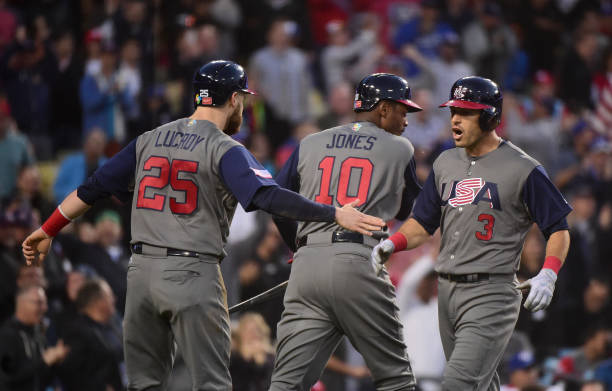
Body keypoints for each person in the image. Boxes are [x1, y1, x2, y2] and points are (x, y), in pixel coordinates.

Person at [21, 59, 384, 391]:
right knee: (211, 385)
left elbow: (91, 189)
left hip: (141, 274)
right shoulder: (225, 148)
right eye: (242, 98)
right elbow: (269, 198)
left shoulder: (149, 139)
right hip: (192, 272)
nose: (243, 106)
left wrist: (47, 229)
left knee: (143, 385)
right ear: (233, 99)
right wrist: (334, 213)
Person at [372, 76, 572, 391]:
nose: (455, 118)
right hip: (447, 292)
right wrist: (392, 244)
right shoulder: (445, 162)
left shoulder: (524, 168)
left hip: (491, 294)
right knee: (480, 386)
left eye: (466, 112)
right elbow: (423, 224)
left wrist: (549, 272)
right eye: (453, 110)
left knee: (457, 385)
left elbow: (558, 227)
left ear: (490, 116)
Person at [269, 73, 423, 390]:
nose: (406, 120)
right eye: (402, 111)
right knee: (397, 379)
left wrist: (297, 249)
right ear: (382, 108)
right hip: (358, 260)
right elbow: (408, 211)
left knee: (287, 382)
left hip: (307, 265)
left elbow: (277, 201)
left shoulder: (309, 142)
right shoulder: (400, 148)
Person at [0, 285, 69, 390]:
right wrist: (44, 360)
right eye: (39, 303)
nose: (45, 308)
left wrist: (56, 361)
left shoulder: (38, 332)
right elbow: (8, 376)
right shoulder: (7, 335)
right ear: (22, 303)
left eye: (45, 303)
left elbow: (41, 374)